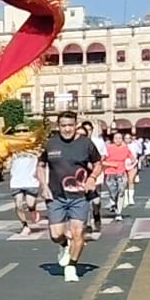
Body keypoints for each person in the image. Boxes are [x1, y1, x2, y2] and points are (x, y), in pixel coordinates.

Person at [39, 110, 103, 284]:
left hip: (79, 196)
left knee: (77, 232)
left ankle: (71, 266)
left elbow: (98, 164)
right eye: (63, 126)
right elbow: (41, 165)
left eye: (70, 125)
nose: (67, 129)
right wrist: (44, 186)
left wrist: (92, 178)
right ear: (58, 126)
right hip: (56, 195)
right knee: (56, 235)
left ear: (75, 125)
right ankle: (64, 245)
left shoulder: (86, 144)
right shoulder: (51, 144)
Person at [8, 141, 43, 235]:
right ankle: (25, 226)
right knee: (18, 204)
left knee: (30, 203)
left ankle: (33, 209)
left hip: (31, 181)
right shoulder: (12, 148)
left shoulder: (35, 148)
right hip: (16, 182)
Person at [102, 131, 135, 222]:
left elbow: (133, 158)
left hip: (121, 173)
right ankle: (113, 202)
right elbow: (102, 161)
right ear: (113, 139)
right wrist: (112, 164)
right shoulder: (108, 148)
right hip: (110, 173)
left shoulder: (125, 148)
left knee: (121, 192)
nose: (118, 140)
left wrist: (130, 163)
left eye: (120, 138)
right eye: (116, 138)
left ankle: (118, 213)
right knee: (113, 192)